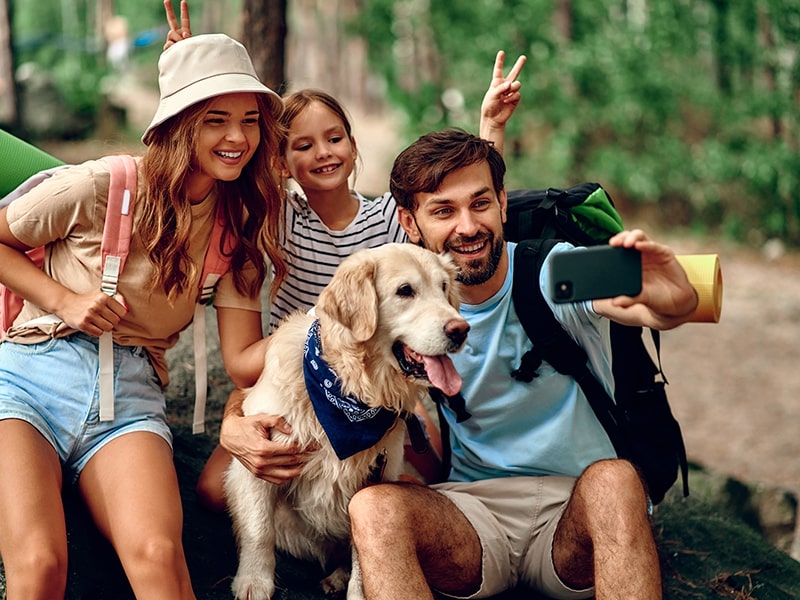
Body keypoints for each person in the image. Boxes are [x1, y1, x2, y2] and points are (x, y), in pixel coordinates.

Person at [161, 0, 529, 510]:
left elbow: (465, 214)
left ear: (354, 148)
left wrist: (491, 130)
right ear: (281, 161)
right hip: (302, 372)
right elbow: (224, 176)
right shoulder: (277, 219)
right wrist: (193, 86)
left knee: (414, 483)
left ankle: (374, 543)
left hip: (380, 370)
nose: (324, 153)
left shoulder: (386, 221)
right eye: (303, 145)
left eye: (335, 138)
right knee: (214, 490)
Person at [345, 128, 699, 599]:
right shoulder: (398, 312)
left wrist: (676, 299)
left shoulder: (556, 270)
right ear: (410, 223)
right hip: (472, 517)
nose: (468, 227)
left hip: (576, 512)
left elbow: (647, 304)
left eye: (480, 203)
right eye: (444, 211)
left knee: (616, 479)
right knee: (371, 509)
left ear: (503, 203)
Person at [0, 33, 285, 599]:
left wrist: (319, 333)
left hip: (129, 397)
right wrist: (64, 301)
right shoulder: (101, 184)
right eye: (215, 120)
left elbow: (242, 360)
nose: (237, 137)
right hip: (29, 379)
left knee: (158, 557)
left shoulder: (237, 228)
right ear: (178, 124)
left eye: (250, 120)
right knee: (39, 563)